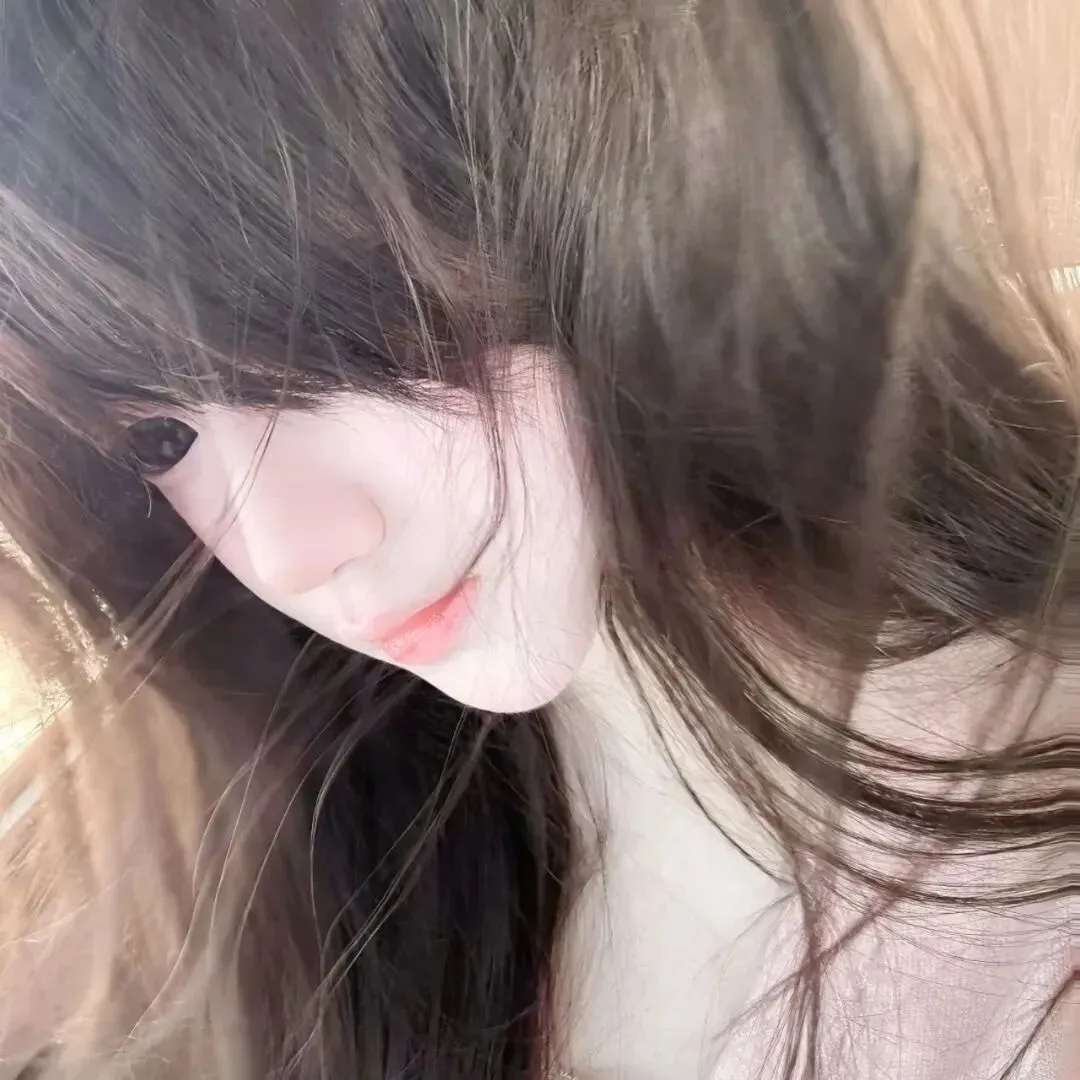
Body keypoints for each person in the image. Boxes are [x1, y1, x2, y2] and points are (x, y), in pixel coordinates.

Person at [0, 1, 1073, 1077]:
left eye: (332, 320)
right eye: (160, 437)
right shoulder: (239, 826)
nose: (286, 553)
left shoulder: (1030, 925)